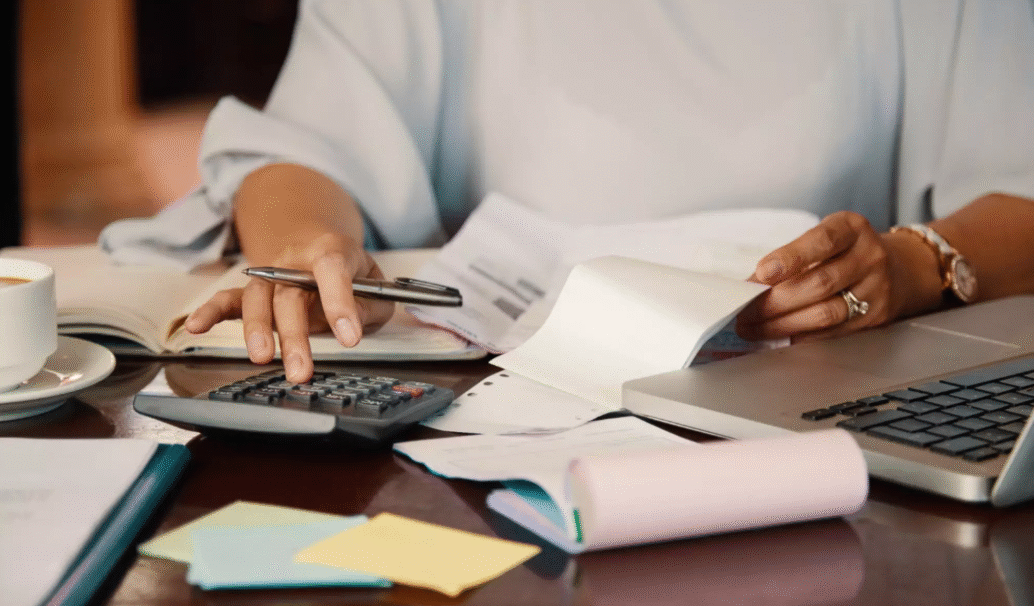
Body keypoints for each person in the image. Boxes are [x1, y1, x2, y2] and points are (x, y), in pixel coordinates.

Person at [100, 1, 1034, 383]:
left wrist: (914, 266)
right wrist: (310, 244)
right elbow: (305, 150)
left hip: (816, 401)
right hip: (501, 412)